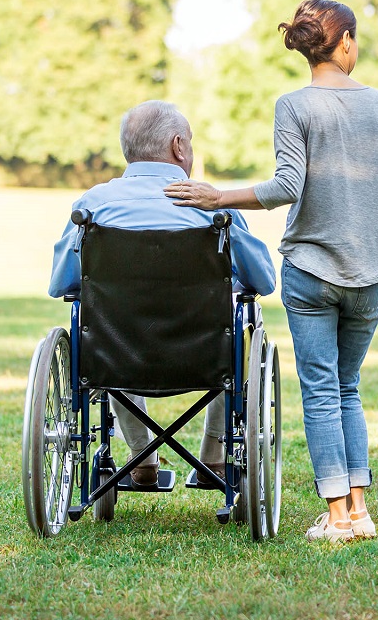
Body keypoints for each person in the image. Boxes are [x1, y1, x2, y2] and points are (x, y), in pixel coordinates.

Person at [164, 0, 378, 542]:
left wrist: (217, 196)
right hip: (372, 271)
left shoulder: (293, 106)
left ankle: (338, 517)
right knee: (349, 387)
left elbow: (286, 187)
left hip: (311, 269)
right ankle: (360, 510)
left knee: (322, 390)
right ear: (344, 41)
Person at [49, 100, 276, 488]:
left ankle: (142, 461)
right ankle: (215, 460)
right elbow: (265, 282)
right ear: (178, 147)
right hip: (204, 355)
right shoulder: (212, 209)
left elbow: (62, 286)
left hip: (117, 355)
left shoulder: (93, 206)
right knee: (239, 329)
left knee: (105, 325)